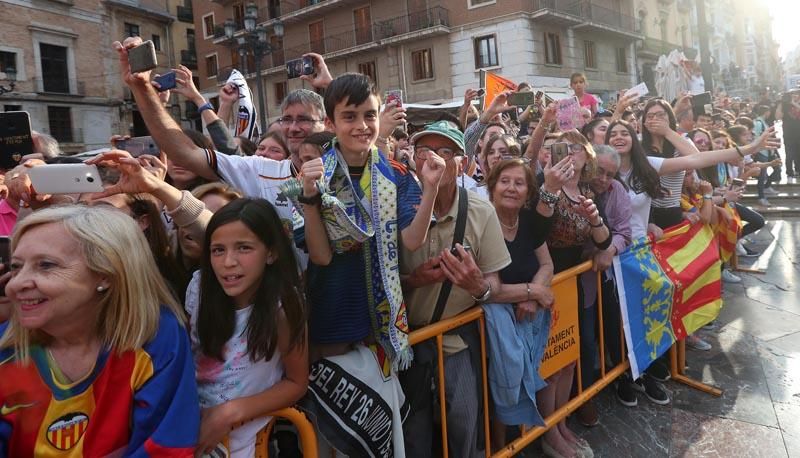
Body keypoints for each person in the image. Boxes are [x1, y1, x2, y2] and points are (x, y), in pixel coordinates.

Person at [0, 205, 199, 455]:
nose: (16, 284)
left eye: (46, 265)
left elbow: (167, 447)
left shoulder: (155, 336)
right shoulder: (6, 351)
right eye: (16, 267)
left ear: (105, 275)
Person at [401, 120, 511, 458]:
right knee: (411, 427)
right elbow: (382, 282)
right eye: (424, 152)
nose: (432, 159)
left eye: (444, 152)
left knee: (463, 417)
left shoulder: (480, 211)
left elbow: (494, 281)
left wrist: (478, 286)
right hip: (406, 341)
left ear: (461, 163)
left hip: (455, 337)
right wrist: (415, 279)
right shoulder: (400, 209)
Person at [187, 199, 309, 457]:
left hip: (239, 443)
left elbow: (297, 382)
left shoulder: (283, 307)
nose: (228, 262)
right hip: (186, 428)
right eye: (217, 250)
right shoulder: (199, 289)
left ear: (272, 253)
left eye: (244, 248)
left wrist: (231, 412)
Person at [537, 130, 609, 457]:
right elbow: (536, 231)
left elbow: (605, 240)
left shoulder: (586, 190)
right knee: (551, 363)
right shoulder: (546, 187)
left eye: (579, 146)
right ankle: (548, 432)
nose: (572, 152)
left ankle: (562, 423)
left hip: (574, 284)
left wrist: (594, 220)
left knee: (568, 361)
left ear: (589, 155)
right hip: (548, 282)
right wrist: (549, 187)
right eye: (565, 146)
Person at [481, 158, 555, 450]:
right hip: (492, 330)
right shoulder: (483, 222)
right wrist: (533, 291)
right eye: (505, 181)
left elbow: (547, 264)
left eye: (519, 183)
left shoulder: (528, 223)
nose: (511, 188)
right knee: (497, 392)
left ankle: (520, 441)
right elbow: (492, 290)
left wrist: (534, 294)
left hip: (526, 322)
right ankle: (500, 448)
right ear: (492, 186)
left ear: (528, 192)